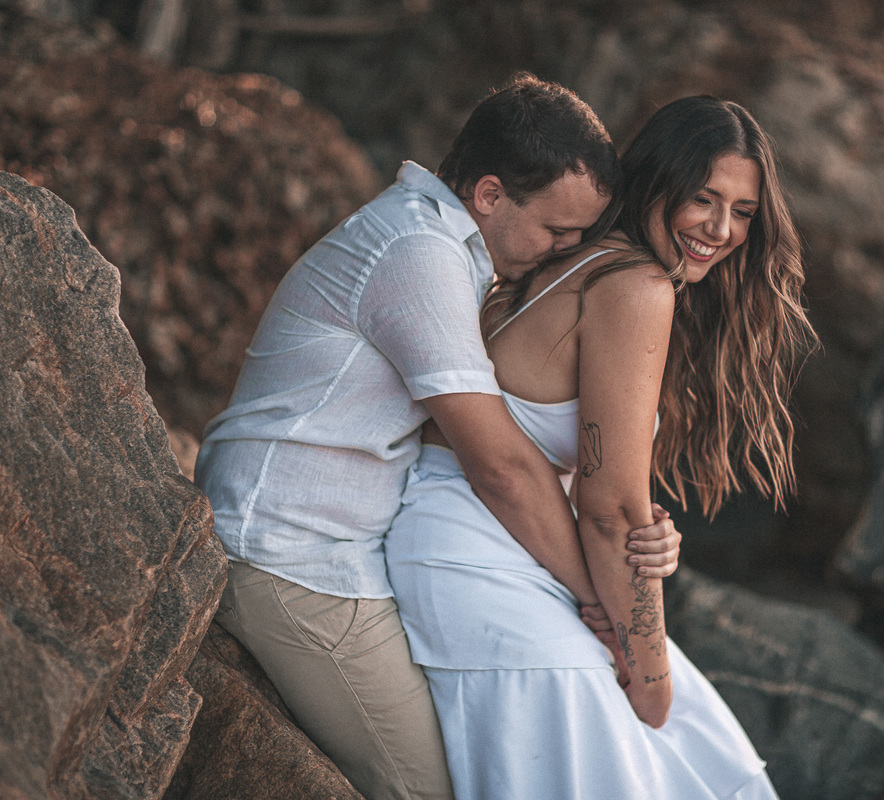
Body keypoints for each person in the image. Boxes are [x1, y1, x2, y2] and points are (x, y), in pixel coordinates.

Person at [194, 73, 684, 800]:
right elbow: (501, 466)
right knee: (429, 787)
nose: (563, 252)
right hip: (289, 555)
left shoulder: (445, 247)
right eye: (558, 231)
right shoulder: (418, 252)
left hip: (343, 547)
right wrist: (599, 599)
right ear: (489, 194)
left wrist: (643, 544)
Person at [385, 95, 816, 799]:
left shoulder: (569, 262)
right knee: (660, 727)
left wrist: (644, 541)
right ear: (656, 184)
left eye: (743, 212)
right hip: (479, 564)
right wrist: (649, 676)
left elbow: (594, 487)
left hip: (474, 539)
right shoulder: (637, 287)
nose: (720, 228)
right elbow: (610, 507)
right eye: (702, 199)